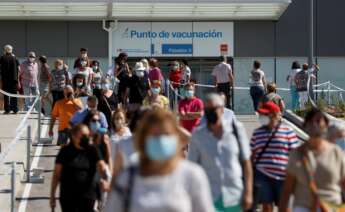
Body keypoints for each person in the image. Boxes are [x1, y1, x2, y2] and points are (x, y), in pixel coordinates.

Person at [104, 109, 214, 212]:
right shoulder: (127, 178)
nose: (161, 140)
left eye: (166, 134)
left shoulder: (192, 175)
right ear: (143, 140)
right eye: (154, 135)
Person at [188, 93, 252, 212]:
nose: (210, 112)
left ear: (222, 109)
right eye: (207, 110)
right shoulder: (197, 135)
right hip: (209, 197)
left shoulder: (237, 129)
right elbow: (192, 167)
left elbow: (246, 162)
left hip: (235, 196)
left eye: (213, 109)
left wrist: (248, 193)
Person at [279, 109, 345, 212]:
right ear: (305, 126)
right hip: (304, 207)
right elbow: (287, 190)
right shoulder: (296, 154)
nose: (314, 125)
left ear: (326, 126)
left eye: (318, 120)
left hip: (332, 207)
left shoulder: (336, 153)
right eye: (310, 122)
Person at [251, 101, 299, 212]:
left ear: (274, 115)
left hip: (283, 177)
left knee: (284, 207)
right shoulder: (257, 133)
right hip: (262, 176)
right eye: (261, 114)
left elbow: (295, 155)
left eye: (265, 114)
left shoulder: (287, 131)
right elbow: (252, 155)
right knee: (266, 206)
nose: (262, 117)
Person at [50, 124, 110, 212]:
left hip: (88, 194)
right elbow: (56, 175)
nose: (85, 138)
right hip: (68, 195)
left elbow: (102, 166)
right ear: (73, 136)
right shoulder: (65, 151)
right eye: (82, 136)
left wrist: (105, 179)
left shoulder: (93, 149)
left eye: (87, 135)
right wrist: (52, 195)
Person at [0, 45, 20, 114]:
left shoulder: (2, 58)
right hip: (14, 79)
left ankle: (7, 109)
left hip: (5, 80)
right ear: (11, 50)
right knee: (14, 95)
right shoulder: (15, 58)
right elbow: (19, 69)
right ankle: (15, 109)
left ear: (5, 50)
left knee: (6, 95)